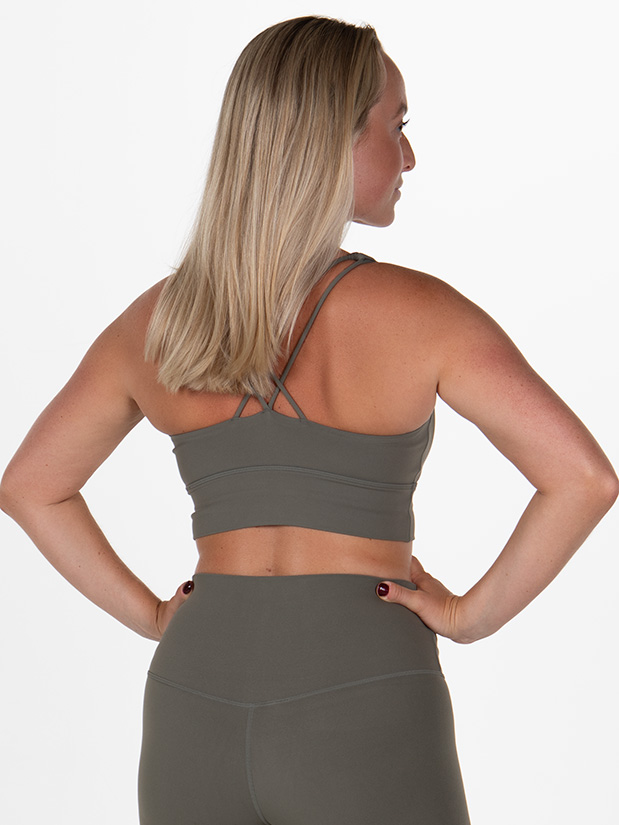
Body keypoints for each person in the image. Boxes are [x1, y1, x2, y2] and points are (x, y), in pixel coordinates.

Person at [1, 14, 616, 825]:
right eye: (395, 125)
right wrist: (469, 616)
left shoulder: (158, 322)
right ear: (333, 138)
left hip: (193, 696)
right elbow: (582, 478)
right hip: (362, 691)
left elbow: (31, 485)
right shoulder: (422, 314)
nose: (408, 156)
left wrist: (153, 615)